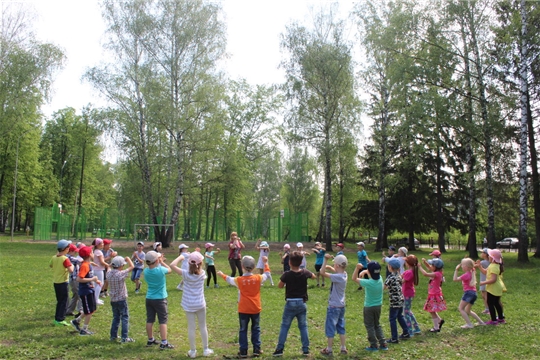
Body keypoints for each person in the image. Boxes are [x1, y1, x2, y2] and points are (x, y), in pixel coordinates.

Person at [218, 256, 270, 358]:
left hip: (243, 308)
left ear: (242, 266)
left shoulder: (239, 280)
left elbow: (229, 279)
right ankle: (256, 349)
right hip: (255, 308)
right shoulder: (258, 278)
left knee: (243, 329)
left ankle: (243, 351)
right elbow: (267, 274)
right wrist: (266, 263)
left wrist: (221, 274)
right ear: (254, 267)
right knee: (256, 328)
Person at [272, 251, 316, 357]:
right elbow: (313, 276)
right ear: (301, 262)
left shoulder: (287, 274)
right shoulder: (305, 272)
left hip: (290, 303)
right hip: (301, 302)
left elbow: (280, 286)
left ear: (290, 262)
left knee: (285, 326)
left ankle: (279, 349)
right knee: (303, 326)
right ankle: (305, 350)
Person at [171, 251, 214, 358]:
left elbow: (172, 265)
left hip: (188, 305)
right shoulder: (203, 273)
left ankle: (193, 351)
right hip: (200, 304)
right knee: (203, 326)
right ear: (200, 264)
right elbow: (197, 269)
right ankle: (205, 349)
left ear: (189, 263)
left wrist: (181, 256)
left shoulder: (185, 274)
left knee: (191, 328)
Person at [352, 261, 388, 352]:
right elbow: (373, 273)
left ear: (369, 270)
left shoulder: (368, 283)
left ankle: (373, 345)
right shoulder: (380, 278)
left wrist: (357, 268)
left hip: (369, 307)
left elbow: (354, 278)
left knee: (370, 326)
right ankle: (383, 343)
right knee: (377, 325)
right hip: (378, 306)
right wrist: (366, 272)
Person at [143, 250, 174, 349]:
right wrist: (162, 262)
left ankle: (150, 339)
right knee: (163, 321)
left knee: (150, 319)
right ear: (156, 261)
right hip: (160, 299)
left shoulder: (146, 271)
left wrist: (158, 261)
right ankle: (164, 342)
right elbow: (169, 269)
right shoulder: (160, 270)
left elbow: (154, 266)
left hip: (149, 298)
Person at [319, 254, 348, 356]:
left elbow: (321, 272)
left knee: (330, 327)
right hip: (341, 306)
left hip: (333, 307)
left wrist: (325, 260)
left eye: (335, 264)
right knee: (341, 327)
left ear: (338, 265)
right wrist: (331, 268)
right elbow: (337, 271)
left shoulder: (337, 277)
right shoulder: (344, 274)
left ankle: (329, 349)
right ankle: (343, 348)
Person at [71, 246, 100, 335]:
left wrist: (95, 280)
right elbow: (79, 279)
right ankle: (84, 330)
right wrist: (93, 279)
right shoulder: (85, 266)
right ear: (89, 254)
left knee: (92, 309)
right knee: (89, 311)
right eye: (92, 252)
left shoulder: (87, 264)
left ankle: (76, 321)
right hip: (85, 291)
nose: (93, 253)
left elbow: (88, 275)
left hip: (90, 290)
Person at [108, 256, 135, 342]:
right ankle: (124, 337)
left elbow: (108, 267)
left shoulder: (108, 274)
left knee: (116, 317)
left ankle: (113, 336)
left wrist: (111, 263)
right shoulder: (120, 274)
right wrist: (128, 259)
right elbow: (132, 267)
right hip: (121, 299)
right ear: (121, 265)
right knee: (124, 317)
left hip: (113, 300)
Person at [453, 258, 485, 328]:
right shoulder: (471, 272)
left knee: (461, 308)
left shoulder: (466, 275)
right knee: (468, 310)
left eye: (462, 265)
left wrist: (456, 270)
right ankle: (481, 322)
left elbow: (455, 279)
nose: (461, 266)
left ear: (466, 267)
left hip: (468, 293)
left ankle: (469, 324)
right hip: (474, 293)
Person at [384, 258, 410, 343]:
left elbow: (384, 287)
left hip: (394, 302)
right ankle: (406, 332)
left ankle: (394, 338)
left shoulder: (390, 277)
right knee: (400, 316)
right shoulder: (399, 276)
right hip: (401, 299)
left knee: (392, 319)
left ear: (390, 267)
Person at [478, 249, 506, 325]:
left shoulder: (493, 266)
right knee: (496, 302)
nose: (488, 257)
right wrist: (479, 266)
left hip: (493, 287)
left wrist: (484, 282)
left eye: (490, 256)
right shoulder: (494, 265)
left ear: (492, 258)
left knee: (490, 303)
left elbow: (493, 280)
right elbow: (485, 272)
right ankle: (501, 318)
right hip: (496, 287)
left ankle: (493, 320)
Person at [50, 239, 74, 326]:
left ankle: (57, 318)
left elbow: (51, 265)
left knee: (60, 301)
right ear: (65, 249)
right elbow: (71, 270)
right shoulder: (65, 259)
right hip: (63, 282)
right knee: (64, 301)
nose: (69, 249)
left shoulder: (54, 257)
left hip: (56, 282)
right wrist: (72, 265)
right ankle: (60, 319)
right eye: (68, 247)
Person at [419, 258, 446, 332]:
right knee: (432, 310)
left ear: (435, 267)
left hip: (434, 294)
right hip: (434, 293)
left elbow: (425, 274)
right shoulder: (438, 272)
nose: (430, 266)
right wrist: (425, 262)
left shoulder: (436, 274)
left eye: (432, 265)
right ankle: (439, 320)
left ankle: (436, 327)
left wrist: (419, 267)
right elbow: (429, 268)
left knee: (431, 310)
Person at [402, 255, 422, 335]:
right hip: (407, 293)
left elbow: (402, 281)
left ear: (408, 263)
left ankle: (409, 330)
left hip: (407, 294)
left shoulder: (409, 272)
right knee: (408, 311)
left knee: (406, 313)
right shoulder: (409, 271)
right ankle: (416, 328)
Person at [66, 244, 82, 317]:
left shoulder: (69, 257)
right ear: (70, 251)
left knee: (76, 295)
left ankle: (69, 310)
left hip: (74, 279)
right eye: (74, 251)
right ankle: (80, 311)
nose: (75, 253)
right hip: (74, 279)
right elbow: (80, 261)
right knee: (80, 294)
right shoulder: (69, 258)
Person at [91, 238, 107, 305]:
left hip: (95, 269)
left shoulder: (95, 251)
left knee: (96, 284)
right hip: (99, 269)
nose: (103, 244)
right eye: (102, 243)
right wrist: (108, 265)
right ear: (97, 245)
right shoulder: (99, 252)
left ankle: (95, 298)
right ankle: (96, 299)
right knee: (100, 284)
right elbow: (102, 262)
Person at [477, 248, 491, 314]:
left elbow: (474, 266)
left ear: (485, 254)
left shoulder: (483, 262)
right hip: (486, 280)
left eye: (482, 252)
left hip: (484, 280)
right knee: (484, 295)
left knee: (485, 295)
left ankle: (488, 309)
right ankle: (487, 308)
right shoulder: (488, 262)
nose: (481, 253)